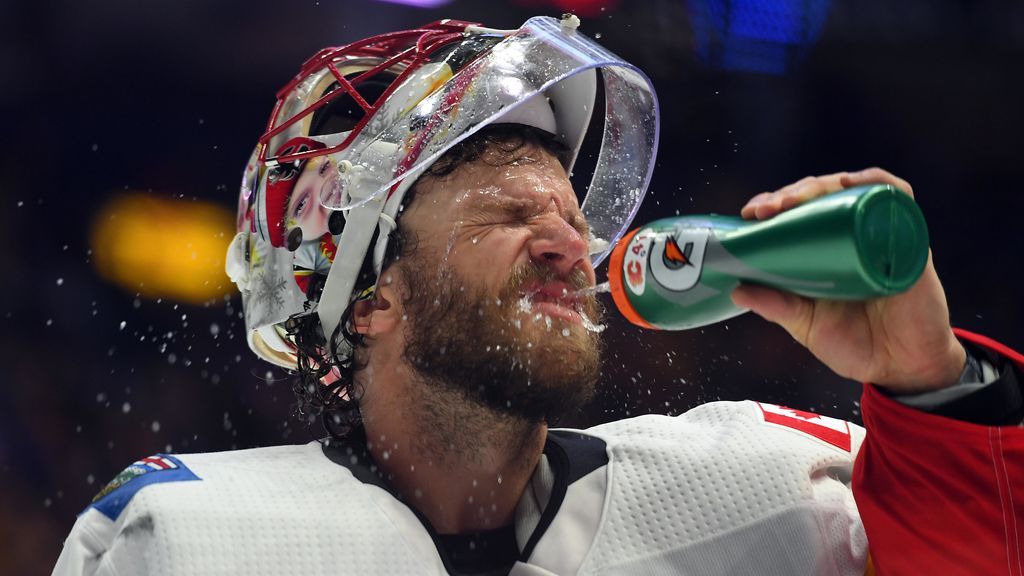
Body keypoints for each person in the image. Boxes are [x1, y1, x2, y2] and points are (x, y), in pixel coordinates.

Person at [54, 15, 1023, 576]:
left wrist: (933, 389)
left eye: (570, 213)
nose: (573, 244)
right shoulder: (192, 545)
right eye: (508, 212)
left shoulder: (767, 490)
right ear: (369, 302)